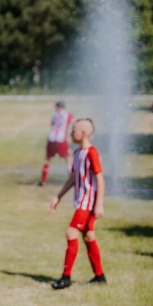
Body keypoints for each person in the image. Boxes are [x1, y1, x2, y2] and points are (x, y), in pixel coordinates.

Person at [48, 118, 107, 289]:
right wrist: (58, 197)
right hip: (81, 201)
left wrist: (99, 204)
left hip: (87, 203)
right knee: (88, 236)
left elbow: (100, 179)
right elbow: (73, 178)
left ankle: (65, 278)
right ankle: (99, 276)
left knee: (71, 233)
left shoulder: (91, 153)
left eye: (73, 130)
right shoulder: (77, 153)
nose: (70, 133)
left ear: (84, 133)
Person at [39, 101, 74, 186]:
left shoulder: (54, 115)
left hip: (51, 139)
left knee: (48, 160)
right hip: (61, 140)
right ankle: (72, 180)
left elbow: (53, 125)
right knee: (69, 159)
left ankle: (43, 180)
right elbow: (74, 123)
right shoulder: (68, 115)